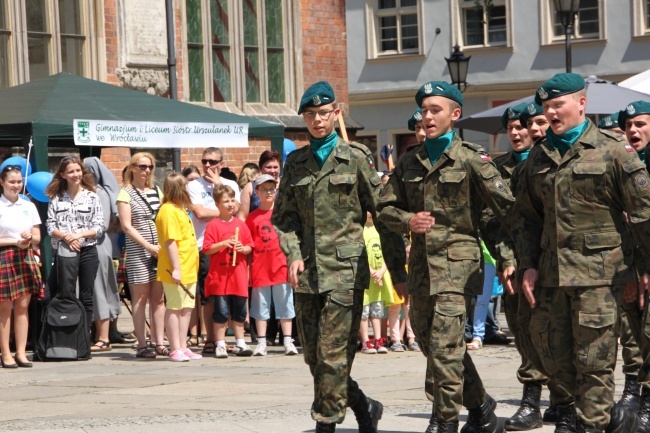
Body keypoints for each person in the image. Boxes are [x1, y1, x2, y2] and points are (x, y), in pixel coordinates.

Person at [513, 74, 650, 433]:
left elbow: (643, 214)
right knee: (550, 357)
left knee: (594, 363)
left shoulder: (613, 150)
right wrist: (526, 264)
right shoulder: (538, 157)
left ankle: (592, 424)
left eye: (558, 105)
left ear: (582, 104)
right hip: (551, 276)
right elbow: (526, 218)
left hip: (600, 278)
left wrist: (644, 267)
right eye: (546, 108)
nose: (551, 113)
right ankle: (614, 419)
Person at [377, 80, 514, 433]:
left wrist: (509, 259)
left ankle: (445, 421)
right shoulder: (410, 160)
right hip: (422, 267)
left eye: (435, 110)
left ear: (455, 114)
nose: (427, 116)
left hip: (459, 267)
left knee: (445, 348)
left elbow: (504, 213)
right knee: (434, 344)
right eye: (424, 110)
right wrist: (408, 220)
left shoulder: (471, 158)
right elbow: (384, 208)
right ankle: (482, 408)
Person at [273, 81, 406, 433]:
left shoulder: (356, 157)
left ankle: (326, 424)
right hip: (307, 274)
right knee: (314, 357)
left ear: (336, 114)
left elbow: (383, 213)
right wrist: (293, 253)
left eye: (323, 113)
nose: (317, 120)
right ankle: (365, 405)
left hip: (346, 271)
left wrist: (398, 269)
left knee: (333, 356)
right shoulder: (296, 162)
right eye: (310, 115)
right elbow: (283, 219)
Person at [616, 100, 650, 427]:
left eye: (640, 123)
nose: (633, 130)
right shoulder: (621, 164)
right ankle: (634, 386)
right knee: (633, 328)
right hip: (629, 261)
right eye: (628, 125)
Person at [187, 147, 240, 356]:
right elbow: (199, 213)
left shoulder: (230, 185)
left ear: (221, 164)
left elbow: (239, 211)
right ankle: (209, 339)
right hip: (205, 246)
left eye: (212, 162)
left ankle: (223, 339)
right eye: (204, 161)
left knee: (228, 294)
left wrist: (220, 185)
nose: (207, 166)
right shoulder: (194, 185)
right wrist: (226, 209)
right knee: (209, 295)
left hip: (230, 243)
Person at [116, 152, 166, 359]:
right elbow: (127, 227)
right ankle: (142, 343)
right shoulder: (125, 193)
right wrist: (148, 246)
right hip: (138, 250)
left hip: (159, 250)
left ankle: (159, 341)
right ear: (132, 168)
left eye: (150, 167)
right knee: (140, 298)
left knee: (159, 298)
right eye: (142, 166)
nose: (146, 170)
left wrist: (161, 246)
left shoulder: (157, 190)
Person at [45, 156, 103, 333]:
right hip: (64, 252)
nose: (75, 174)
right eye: (71, 171)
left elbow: (99, 226)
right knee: (60, 292)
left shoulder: (92, 197)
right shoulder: (56, 198)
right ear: (63, 174)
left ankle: (83, 336)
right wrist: (66, 237)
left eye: (78, 170)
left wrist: (78, 235)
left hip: (87, 251)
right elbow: (50, 225)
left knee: (86, 295)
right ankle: (61, 333)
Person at [245, 174, 297, 356]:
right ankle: (261, 341)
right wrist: (248, 270)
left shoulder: (282, 214)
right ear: (257, 192)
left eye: (271, 189)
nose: (268, 192)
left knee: (285, 304)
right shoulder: (252, 218)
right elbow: (250, 246)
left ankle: (288, 340)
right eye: (264, 189)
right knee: (261, 306)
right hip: (261, 268)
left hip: (281, 267)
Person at [202, 184, 253, 359]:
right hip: (220, 277)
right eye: (226, 201)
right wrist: (224, 243)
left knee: (239, 311)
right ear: (217, 204)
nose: (231, 204)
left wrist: (242, 247)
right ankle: (220, 343)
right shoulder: (213, 225)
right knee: (221, 312)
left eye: (232, 200)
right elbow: (207, 249)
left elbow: (249, 248)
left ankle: (240, 342)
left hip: (238, 276)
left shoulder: (241, 225)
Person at [0, 165, 42, 368]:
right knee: (5, 307)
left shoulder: (28, 206)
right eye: (12, 182)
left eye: (19, 182)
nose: (16, 186)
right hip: (4, 257)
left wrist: (29, 237)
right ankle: (6, 353)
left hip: (25, 257)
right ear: (2, 182)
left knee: (23, 307)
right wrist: (12, 242)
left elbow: (38, 237)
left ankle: (21, 352)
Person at [156, 173, 201, 362]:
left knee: (187, 308)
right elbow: (170, 242)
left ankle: (183, 346)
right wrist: (176, 268)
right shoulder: (168, 211)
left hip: (190, 267)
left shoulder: (181, 209)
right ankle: (175, 347)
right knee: (174, 307)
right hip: (177, 267)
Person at [83, 157, 122, 353]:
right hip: (84, 245)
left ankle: (104, 336)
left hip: (98, 246)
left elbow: (103, 224)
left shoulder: (101, 194)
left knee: (100, 290)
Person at [359, 211, 394, 355]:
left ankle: (378, 340)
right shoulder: (360, 229)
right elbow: (358, 252)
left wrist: (381, 272)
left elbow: (389, 251)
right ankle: (365, 342)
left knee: (377, 310)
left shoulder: (381, 229)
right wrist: (371, 271)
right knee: (364, 311)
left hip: (380, 275)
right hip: (366, 276)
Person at [238, 150, 281, 221]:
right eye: (269, 167)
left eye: (275, 167)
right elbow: (242, 217)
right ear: (260, 168)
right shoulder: (250, 187)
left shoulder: (285, 186)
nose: (272, 171)